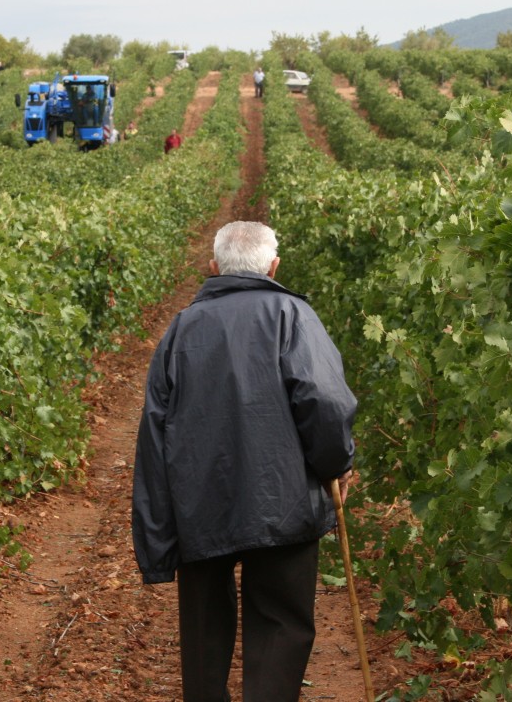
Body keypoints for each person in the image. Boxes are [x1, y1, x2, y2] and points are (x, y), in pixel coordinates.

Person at [132, 221, 358, 702]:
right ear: (274, 267)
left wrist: (157, 538)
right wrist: (334, 465)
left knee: (203, 638)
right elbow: (325, 401)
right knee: (282, 624)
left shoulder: (181, 330)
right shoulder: (292, 315)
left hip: (199, 506)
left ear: (213, 269)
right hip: (286, 502)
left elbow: (153, 434)